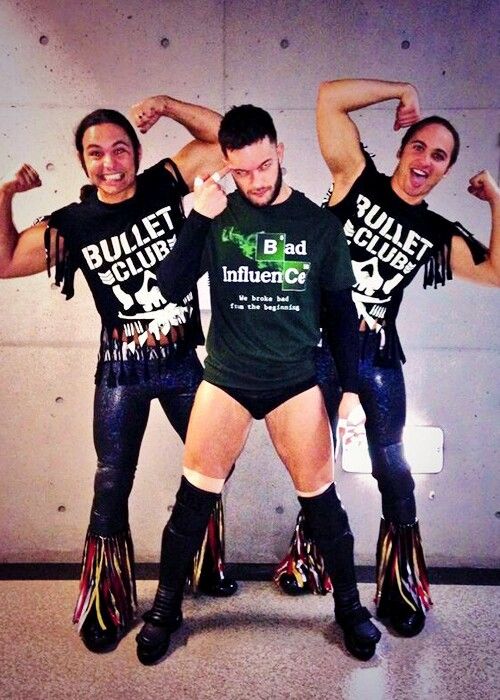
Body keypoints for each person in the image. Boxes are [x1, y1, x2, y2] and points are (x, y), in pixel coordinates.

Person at [134, 104, 382, 666]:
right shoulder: (216, 214)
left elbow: (342, 316)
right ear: (226, 164)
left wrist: (351, 392)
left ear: (280, 152)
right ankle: (166, 608)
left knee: (324, 505)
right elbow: (169, 286)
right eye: (243, 170)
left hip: (295, 382)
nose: (257, 180)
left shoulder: (318, 227)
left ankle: (349, 610)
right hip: (226, 379)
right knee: (192, 502)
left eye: (265, 165)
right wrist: (196, 215)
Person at [0, 94, 239, 654]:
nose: (110, 163)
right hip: (122, 373)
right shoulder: (72, 223)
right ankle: (108, 603)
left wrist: (169, 105)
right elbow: (5, 262)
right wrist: (6, 194)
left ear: (137, 151)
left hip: (183, 364)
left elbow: (228, 139)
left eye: (120, 149)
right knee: (111, 483)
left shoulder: (164, 184)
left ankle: (197, 568)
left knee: (214, 466)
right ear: (84, 163)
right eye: (96, 154)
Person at [276, 78, 499, 637]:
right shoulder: (356, 179)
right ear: (401, 150)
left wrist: (497, 200)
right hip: (317, 349)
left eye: (440, 156)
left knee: (393, 468)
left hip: (375, 358)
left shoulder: (434, 232)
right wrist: (401, 89)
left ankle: (399, 587)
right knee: (314, 464)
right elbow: (327, 97)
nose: (426, 160)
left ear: (446, 171)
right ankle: (312, 561)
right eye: (419, 147)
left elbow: (497, 272)